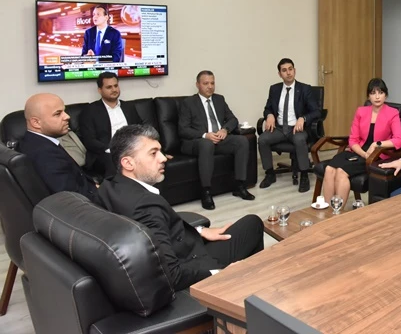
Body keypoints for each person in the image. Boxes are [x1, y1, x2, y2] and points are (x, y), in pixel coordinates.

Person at [98, 124, 264, 291]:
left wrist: (199, 231)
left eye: (160, 151)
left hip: (180, 246)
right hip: (192, 265)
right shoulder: (146, 206)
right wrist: (220, 273)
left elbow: (158, 230)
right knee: (253, 224)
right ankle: (253, 289)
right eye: (153, 153)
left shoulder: (109, 186)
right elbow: (171, 274)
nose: (163, 158)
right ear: (128, 163)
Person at [178, 70, 254, 210]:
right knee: (207, 144)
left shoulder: (219, 99)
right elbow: (183, 129)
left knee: (242, 141)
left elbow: (233, 119)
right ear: (197, 85)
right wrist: (205, 135)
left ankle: (240, 186)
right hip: (197, 142)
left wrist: (225, 130)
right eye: (206, 83)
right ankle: (206, 192)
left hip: (218, 140)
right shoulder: (188, 103)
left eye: (212, 83)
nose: (210, 86)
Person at [323, 78, 401, 208]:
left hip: (376, 155)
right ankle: (328, 211)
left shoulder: (392, 113)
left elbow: (398, 140)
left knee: (341, 172)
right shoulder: (361, 111)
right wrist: (363, 154)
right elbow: (353, 140)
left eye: (381, 92)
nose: (377, 97)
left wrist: (376, 144)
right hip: (358, 151)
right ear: (368, 96)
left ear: (386, 95)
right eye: (373, 93)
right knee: (329, 169)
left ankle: (337, 213)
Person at [18, 93, 99, 202]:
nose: (67, 116)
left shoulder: (31, 141)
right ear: (36, 122)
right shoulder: (45, 154)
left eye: (64, 111)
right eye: (58, 114)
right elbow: (73, 199)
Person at [258, 58, 321, 193]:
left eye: (290, 69)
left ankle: (304, 175)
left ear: (294, 71)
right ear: (280, 74)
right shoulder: (274, 89)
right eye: (284, 70)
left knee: (299, 139)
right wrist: (269, 115)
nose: (288, 73)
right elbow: (267, 108)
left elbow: (316, 111)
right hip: (279, 128)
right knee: (262, 139)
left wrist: (303, 118)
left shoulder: (305, 89)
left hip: (296, 128)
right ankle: (270, 173)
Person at [79, 72, 144, 177]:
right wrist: (113, 149)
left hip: (130, 148)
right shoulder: (90, 111)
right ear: (100, 90)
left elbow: (140, 128)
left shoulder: (128, 107)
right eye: (109, 87)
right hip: (105, 153)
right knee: (113, 161)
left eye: (116, 86)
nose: (114, 89)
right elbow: (89, 140)